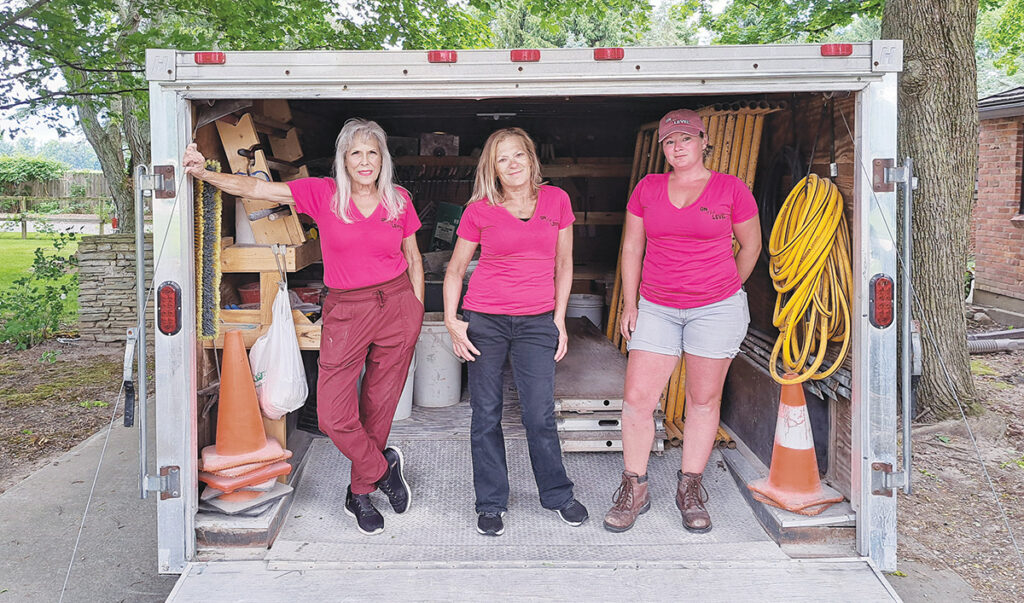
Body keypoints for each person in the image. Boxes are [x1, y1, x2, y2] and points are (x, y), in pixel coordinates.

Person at [183, 118, 423, 536]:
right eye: (356, 153)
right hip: (348, 310)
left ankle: (360, 492)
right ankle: (383, 468)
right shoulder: (324, 194)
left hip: (398, 305)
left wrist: (416, 310)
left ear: (382, 159)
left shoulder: (398, 199)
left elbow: (414, 257)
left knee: (379, 406)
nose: (365, 161)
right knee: (333, 415)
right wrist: (204, 172)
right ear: (343, 160)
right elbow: (256, 189)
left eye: (372, 153)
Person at [603, 109, 761, 534]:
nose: (678, 148)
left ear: (703, 141)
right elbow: (632, 248)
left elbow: (751, 246)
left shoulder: (731, 188)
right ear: (663, 149)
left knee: (703, 399)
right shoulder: (648, 188)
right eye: (670, 142)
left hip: (716, 309)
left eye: (686, 140)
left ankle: (689, 488)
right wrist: (631, 303)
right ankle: (634, 488)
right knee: (637, 398)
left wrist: (725, 288)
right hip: (656, 306)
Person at [443, 127, 588, 536]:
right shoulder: (479, 210)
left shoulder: (557, 200)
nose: (512, 164)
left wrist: (559, 320)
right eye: (502, 158)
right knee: (485, 413)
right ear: (493, 167)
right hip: (484, 320)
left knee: (538, 413)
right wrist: (453, 321)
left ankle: (557, 494)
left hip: (537, 320)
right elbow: (455, 270)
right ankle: (490, 502)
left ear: (531, 158)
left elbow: (564, 265)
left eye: (518, 155)